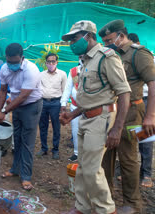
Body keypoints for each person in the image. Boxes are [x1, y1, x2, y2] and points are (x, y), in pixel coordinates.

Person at [60, 20, 131, 214]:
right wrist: (72, 114)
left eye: (74, 38)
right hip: (85, 118)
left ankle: (106, 210)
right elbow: (88, 97)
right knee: (82, 166)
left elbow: (124, 93)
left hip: (102, 119)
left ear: (88, 36)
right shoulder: (86, 60)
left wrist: (117, 128)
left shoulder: (106, 58)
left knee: (92, 169)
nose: (71, 43)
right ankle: (81, 207)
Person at [99, 20, 155, 212]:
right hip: (111, 112)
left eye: (109, 40)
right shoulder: (109, 55)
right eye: (104, 41)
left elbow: (153, 84)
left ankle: (132, 205)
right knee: (105, 157)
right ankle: (106, 202)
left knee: (129, 159)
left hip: (133, 113)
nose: (106, 44)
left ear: (121, 36)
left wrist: (151, 116)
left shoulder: (139, 54)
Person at [0, 43, 43, 191]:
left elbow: (23, 96)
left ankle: (26, 176)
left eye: (15, 62)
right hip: (16, 106)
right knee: (17, 139)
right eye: (9, 61)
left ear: (22, 58)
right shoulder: (4, 68)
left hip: (31, 105)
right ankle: (15, 169)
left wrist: (5, 112)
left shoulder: (31, 70)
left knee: (27, 141)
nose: (12, 65)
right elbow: (3, 90)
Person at [128, 33, 154, 188]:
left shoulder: (146, 57)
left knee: (145, 138)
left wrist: (151, 113)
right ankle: (133, 171)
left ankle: (146, 173)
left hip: (145, 100)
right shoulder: (128, 57)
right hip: (130, 102)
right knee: (131, 137)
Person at [37, 53, 67, 159]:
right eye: (48, 62)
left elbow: (64, 90)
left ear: (56, 62)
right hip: (43, 102)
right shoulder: (41, 75)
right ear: (45, 63)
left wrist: (64, 105)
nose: (51, 64)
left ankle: (55, 150)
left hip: (56, 103)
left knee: (56, 126)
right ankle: (44, 148)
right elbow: (38, 90)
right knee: (43, 126)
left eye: (53, 61)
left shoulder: (62, 74)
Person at [60, 56, 84, 162]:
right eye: (81, 56)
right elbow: (68, 88)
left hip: (91, 108)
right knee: (75, 131)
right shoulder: (74, 71)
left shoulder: (95, 69)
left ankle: (87, 155)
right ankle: (77, 153)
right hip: (75, 106)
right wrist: (63, 103)